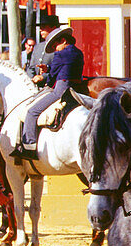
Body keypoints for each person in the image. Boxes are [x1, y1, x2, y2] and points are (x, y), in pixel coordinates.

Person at [13, 26, 84, 160]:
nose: (55, 48)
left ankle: (29, 147)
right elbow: (65, 67)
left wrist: (46, 74)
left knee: (31, 111)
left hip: (60, 89)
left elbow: (52, 77)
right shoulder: (78, 53)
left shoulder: (60, 54)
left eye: (56, 45)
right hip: (77, 89)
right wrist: (49, 68)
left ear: (63, 41)